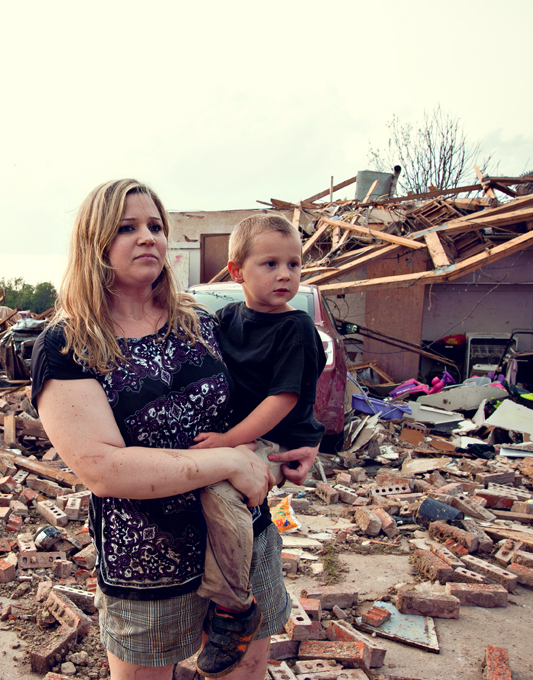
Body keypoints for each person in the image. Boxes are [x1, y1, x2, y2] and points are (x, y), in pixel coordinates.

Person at [30, 179, 318, 680]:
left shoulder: (198, 321)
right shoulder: (67, 345)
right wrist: (227, 459)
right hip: (146, 560)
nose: (148, 237)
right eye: (127, 228)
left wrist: (304, 441)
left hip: (239, 542)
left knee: (244, 671)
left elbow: (268, 388)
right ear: (93, 243)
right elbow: (104, 469)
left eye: (156, 226)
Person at [189, 214, 327, 677]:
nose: (285, 274)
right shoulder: (228, 319)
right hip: (241, 435)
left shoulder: (296, 328)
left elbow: (282, 400)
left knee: (222, 491)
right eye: (270, 264)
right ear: (236, 271)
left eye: (293, 264)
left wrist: (228, 443)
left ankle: (234, 608)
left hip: (276, 439)